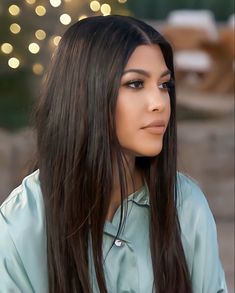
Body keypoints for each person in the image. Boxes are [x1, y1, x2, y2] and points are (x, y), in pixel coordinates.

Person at [0, 15, 228, 293]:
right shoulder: (23, 221)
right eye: (135, 84)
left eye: (164, 85)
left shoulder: (187, 206)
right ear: (85, 93)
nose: (159, 103)